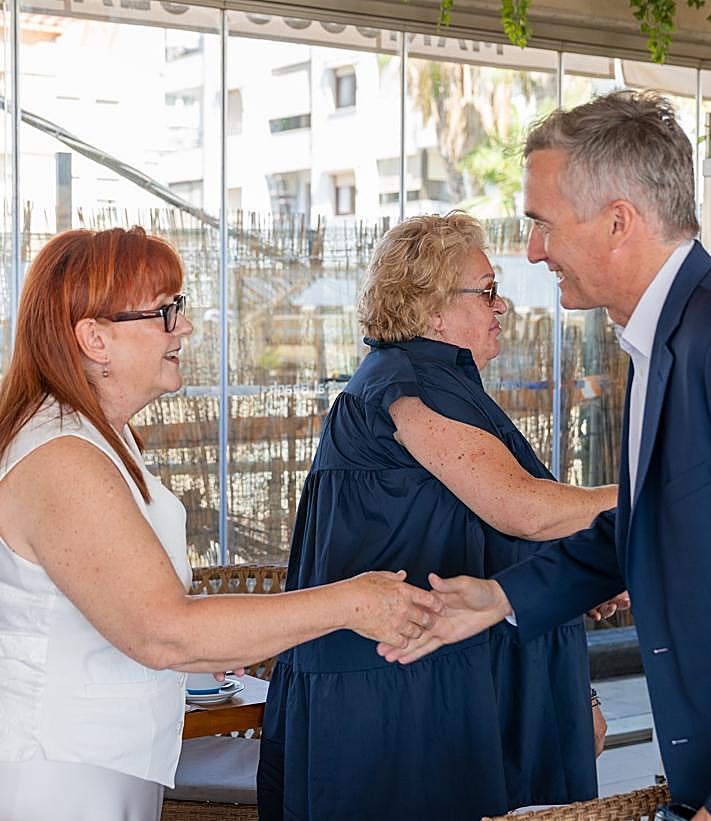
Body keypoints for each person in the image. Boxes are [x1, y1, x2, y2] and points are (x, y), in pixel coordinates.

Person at [0, 226, 441, 821]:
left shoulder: (95, 436)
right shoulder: (63, 457)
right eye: (164, 312)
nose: (183, 327)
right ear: (94, 338)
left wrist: (232, 633)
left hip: (97, 763)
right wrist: (350, 603)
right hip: (59, 776)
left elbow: (139, 609)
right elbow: (163, 631)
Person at [379, 91, 711, 821]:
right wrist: (499, 598)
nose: (532, 250)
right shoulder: (658, 341)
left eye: (540, 223)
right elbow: (646, 524)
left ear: (617, 221)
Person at [257, 211, 618, 821]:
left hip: (438, 677)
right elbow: (521, 509)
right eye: (487, 291)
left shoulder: (435, 381)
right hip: (408, 693)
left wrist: (576, 576)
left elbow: (484, 530)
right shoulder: (410, 384)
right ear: (429, 309)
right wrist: (659, 498)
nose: (501, 307)